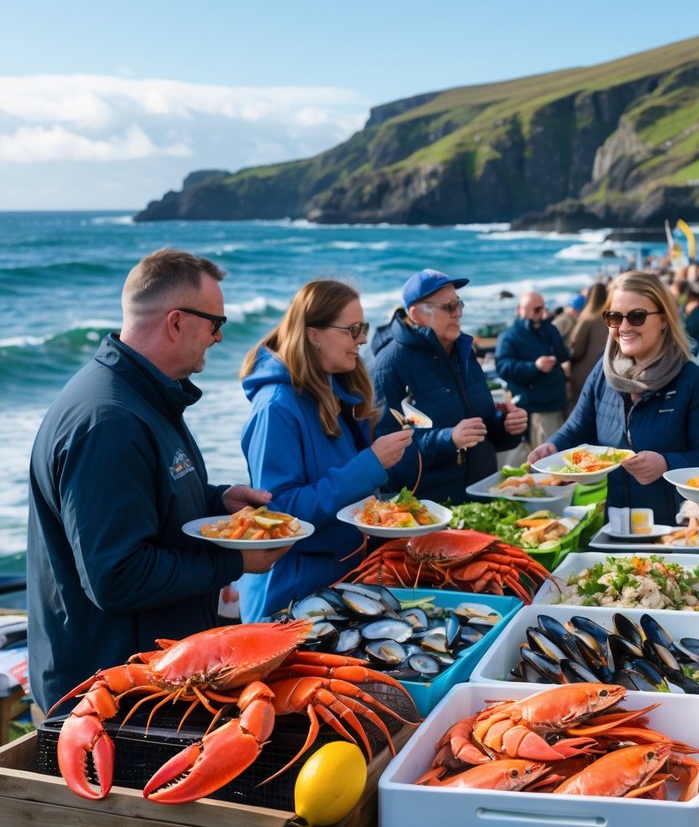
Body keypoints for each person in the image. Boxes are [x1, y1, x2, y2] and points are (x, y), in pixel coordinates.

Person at [26, 248, 292, 712]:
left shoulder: (141, 397)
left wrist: (217, 501)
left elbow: (147, 500)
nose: (220, 337)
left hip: (151, 678)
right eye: (215, 323)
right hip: (110, 698)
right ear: (175, 322)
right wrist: (234, 564)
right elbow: (117, 577)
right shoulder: (109, 422)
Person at [238, 280, 415, 622]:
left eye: (362, 328)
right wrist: (371, 464)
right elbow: (279, 513)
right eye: (353, 330)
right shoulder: (276, 408)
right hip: (291, 600)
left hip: (339, 584)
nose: (363, 339)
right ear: (313, 334)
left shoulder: (336, 392)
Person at [528, 271, 699, 525]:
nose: (624, 327)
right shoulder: (603, 372)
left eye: (637, 316)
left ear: (664, 320)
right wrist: (553, 447)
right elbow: (578, 427)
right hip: (612, 525)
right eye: (614, 317)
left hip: (673, 530)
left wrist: (666, 463)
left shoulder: (691, 380)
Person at [369, 269, 527, 503]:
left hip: (482, 497)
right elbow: (387, 454)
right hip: (430, 509)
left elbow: (479, 424)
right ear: (416, 314)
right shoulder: (388, 366)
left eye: (458, 304)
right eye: (448, 307)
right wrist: (448, 439)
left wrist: (505, 426)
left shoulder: (464, 352)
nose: (457, 314)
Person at [495, 291, 570, 453]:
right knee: (545, 458)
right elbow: (503, 367)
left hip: (558, 401)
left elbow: (562, 354)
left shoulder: (549, 328)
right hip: (537, 406)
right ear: (520, 310)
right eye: (536, 310)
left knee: (559, 454)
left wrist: (554, 359)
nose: (541, 314)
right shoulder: (509, 336)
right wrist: (534, 366)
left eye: (543, 309)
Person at [564, 282, 609, 412]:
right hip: (603, 371)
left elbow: (577, 349)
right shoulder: (610, 316)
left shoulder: (587, 316)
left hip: (583, 374)